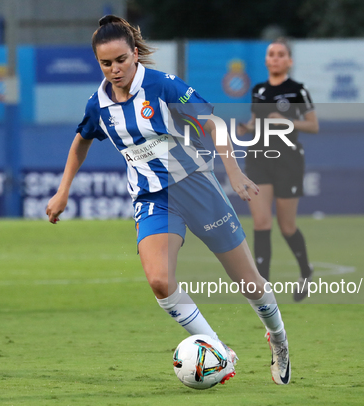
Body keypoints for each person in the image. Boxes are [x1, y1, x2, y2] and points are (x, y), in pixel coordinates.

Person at [46, 15, 291, 385]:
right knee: (160, 281)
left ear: (135, 55)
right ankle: (217, 350)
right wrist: (63, 190)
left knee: (249, 282)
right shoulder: (99, 104)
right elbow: (81, 140)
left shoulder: (161, 86)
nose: (115, 69)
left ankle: (280, 340)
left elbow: (214, 123)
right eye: (106, 63)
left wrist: (235, 172)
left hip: (197, 186)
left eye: (121, 60)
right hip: (153, 198)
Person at [238, 38, 319, 302]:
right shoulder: (259, 90)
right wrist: (246, 128)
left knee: (287, 226)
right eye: (271, 54)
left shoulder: (298, 90)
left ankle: (306, 271)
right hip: (259, 158)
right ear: (266, 60)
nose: (275, 58)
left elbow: (313, 126)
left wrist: (287, 121)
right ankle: (263, 287)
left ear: (289, 61)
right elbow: (254, 121)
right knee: (261, 222)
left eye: (280, 54)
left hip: (288, 160)